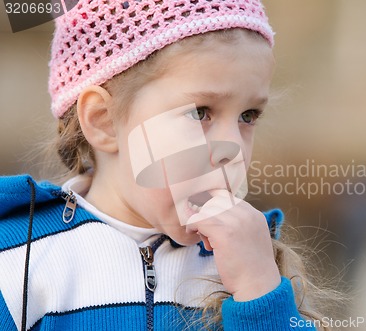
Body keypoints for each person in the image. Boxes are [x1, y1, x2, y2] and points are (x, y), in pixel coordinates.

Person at [0, 1, 336, 330]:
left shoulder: (251, 260)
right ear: (104, 121)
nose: (233, 149)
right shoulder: (17, 260)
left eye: (248, 116)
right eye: (200, 112)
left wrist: (258, 294)